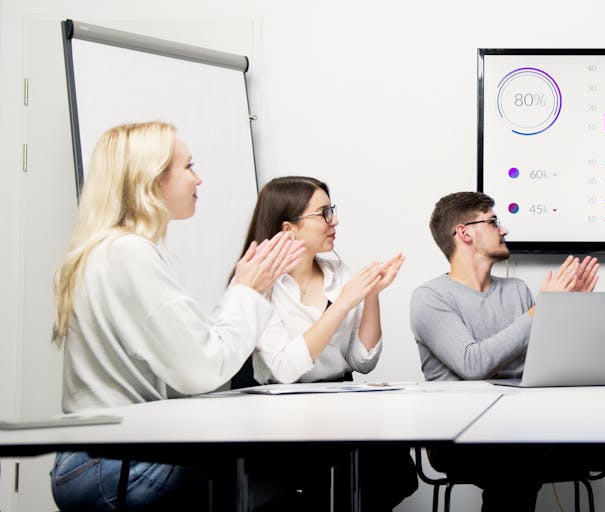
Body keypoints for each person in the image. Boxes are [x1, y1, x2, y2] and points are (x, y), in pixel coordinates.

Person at [49, 121, 305, 511]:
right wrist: (248, 290)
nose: (198, 179)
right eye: (188, 166)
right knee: (280, 478)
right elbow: (201, 369)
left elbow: (189, 361)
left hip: (86, 463)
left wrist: (249, 291)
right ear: (151, 180)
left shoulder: (104, 251)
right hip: (113, 467)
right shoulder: (129, 253)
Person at [410, 191, 605, 512]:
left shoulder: (516, 290)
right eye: (492, 221)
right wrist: (541, 310)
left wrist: (569, 310)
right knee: (515, 462)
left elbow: (550, 364)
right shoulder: (430, 297)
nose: (503, 230)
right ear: (465, 233)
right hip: (461, 437)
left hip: (531, 427)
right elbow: (472, 365)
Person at [235, 176, 416, 510]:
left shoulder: (338, 271)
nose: (334, 221)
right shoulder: (259, 283)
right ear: (289, 229)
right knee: (331, 478)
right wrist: (345, 303)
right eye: (324, 213)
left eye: (332, 210)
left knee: (396, 470)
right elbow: (286, 369)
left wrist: (371, 294)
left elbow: (362, 361)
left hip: (340, 400)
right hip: (282, 414)